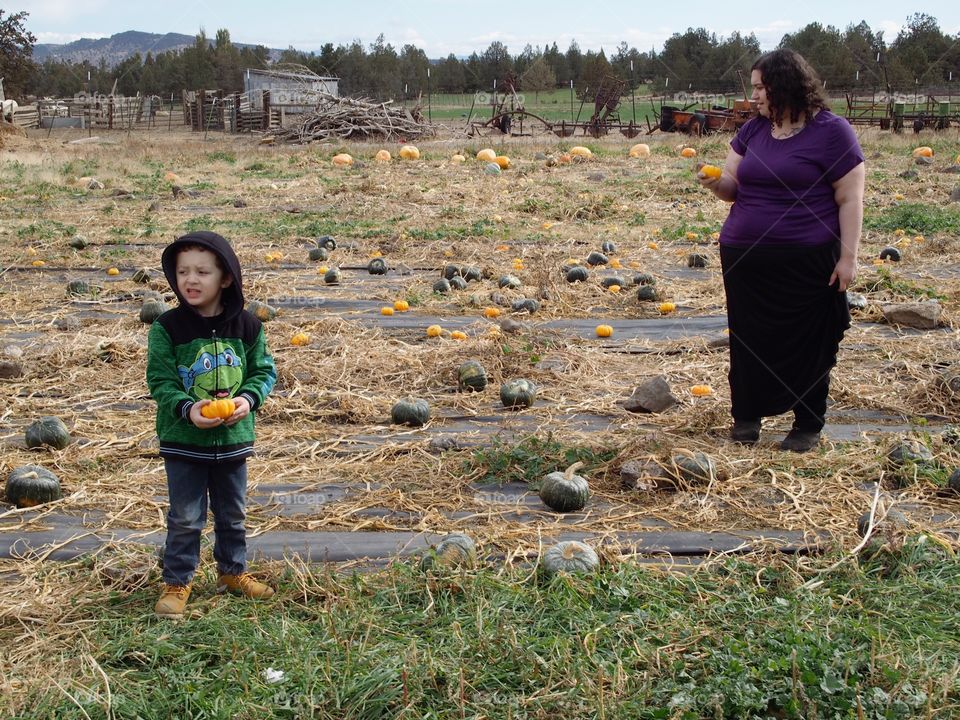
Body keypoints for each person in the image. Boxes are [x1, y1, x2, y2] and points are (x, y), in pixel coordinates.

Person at [697, 49, 864, 452]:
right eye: (752, 87)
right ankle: (747, 418)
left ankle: (807, 423)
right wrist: (713, 182)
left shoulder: (832, 131)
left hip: (807, 260)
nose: (753, 96)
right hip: (745, 257)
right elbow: (732, 188)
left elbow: (850, 199)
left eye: (760, 87)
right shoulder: (753, 131)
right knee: (749, 338)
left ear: (785, 85)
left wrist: (848, 257)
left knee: (808, 339)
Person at [147, 231, 277, 618]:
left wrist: (246, 400)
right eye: (183, 271)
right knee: (186, 517)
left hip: (234, 438)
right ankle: (178, 581)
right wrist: (188, 409)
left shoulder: (249, 326)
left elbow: (264, 372)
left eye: (202, 271)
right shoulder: (168, 328)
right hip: (184, 442)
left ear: (225, 278)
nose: (191, 279)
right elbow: (161, 381)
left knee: (233, 512)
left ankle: (231, 573)